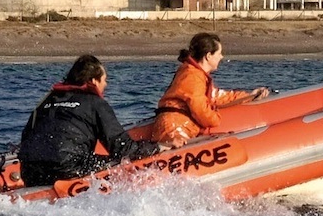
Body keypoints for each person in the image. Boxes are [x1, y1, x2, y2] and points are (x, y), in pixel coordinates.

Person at [18, 54, 161, 187]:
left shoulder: (45, 101)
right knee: (121, 163)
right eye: (104, 80)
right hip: (68, 169)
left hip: (30, 173)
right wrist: (157, 147)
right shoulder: (95, 103)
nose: (106, 85)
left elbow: (26, 137)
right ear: (93, 81)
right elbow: (121, 148)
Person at [152, 32, 270, 148]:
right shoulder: (192, 76)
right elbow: (200, 109)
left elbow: (218, 97)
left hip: (178, 124)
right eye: (219, 53)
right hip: (174, 126)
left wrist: (249, 96)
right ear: (208, 56)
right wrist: (215, 119)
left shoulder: (197, 75)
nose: (221, 57)